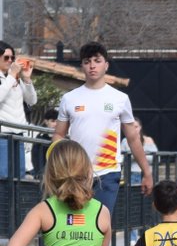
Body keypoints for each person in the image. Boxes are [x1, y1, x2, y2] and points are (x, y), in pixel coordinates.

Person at [53, 42, 154, 221]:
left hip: (107, 173)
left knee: (101, 224)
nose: (92, 66)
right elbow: (59, 134)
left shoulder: (120, 98)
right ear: (82, 66)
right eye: (87, 62)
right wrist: (58, 164)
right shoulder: (69, 98)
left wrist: (147, 172)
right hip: (75, 173)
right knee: (77, 224)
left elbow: (133, 138)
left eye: (97, 61)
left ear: (106, 65)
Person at [0, 41, 36, 178]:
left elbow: (32, 100)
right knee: (4, 176)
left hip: (19, 132)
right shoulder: (10, 77)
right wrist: (11, 76)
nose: (10, 61)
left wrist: (27, 80)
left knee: (19, 175)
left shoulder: (15, 78)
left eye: (12, 58)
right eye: (6, 57)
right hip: (3, 134)